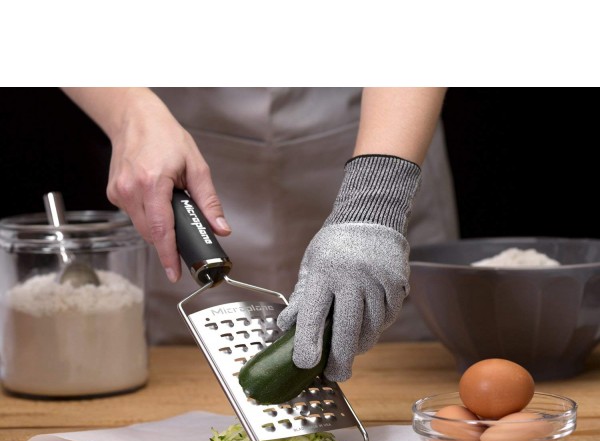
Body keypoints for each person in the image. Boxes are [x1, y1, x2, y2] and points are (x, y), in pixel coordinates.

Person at [62, 87, 458, 381]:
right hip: (176, 156)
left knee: (389, 360)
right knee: (186, 376)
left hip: (383, 135)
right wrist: (131, 114)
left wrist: (375, 199)